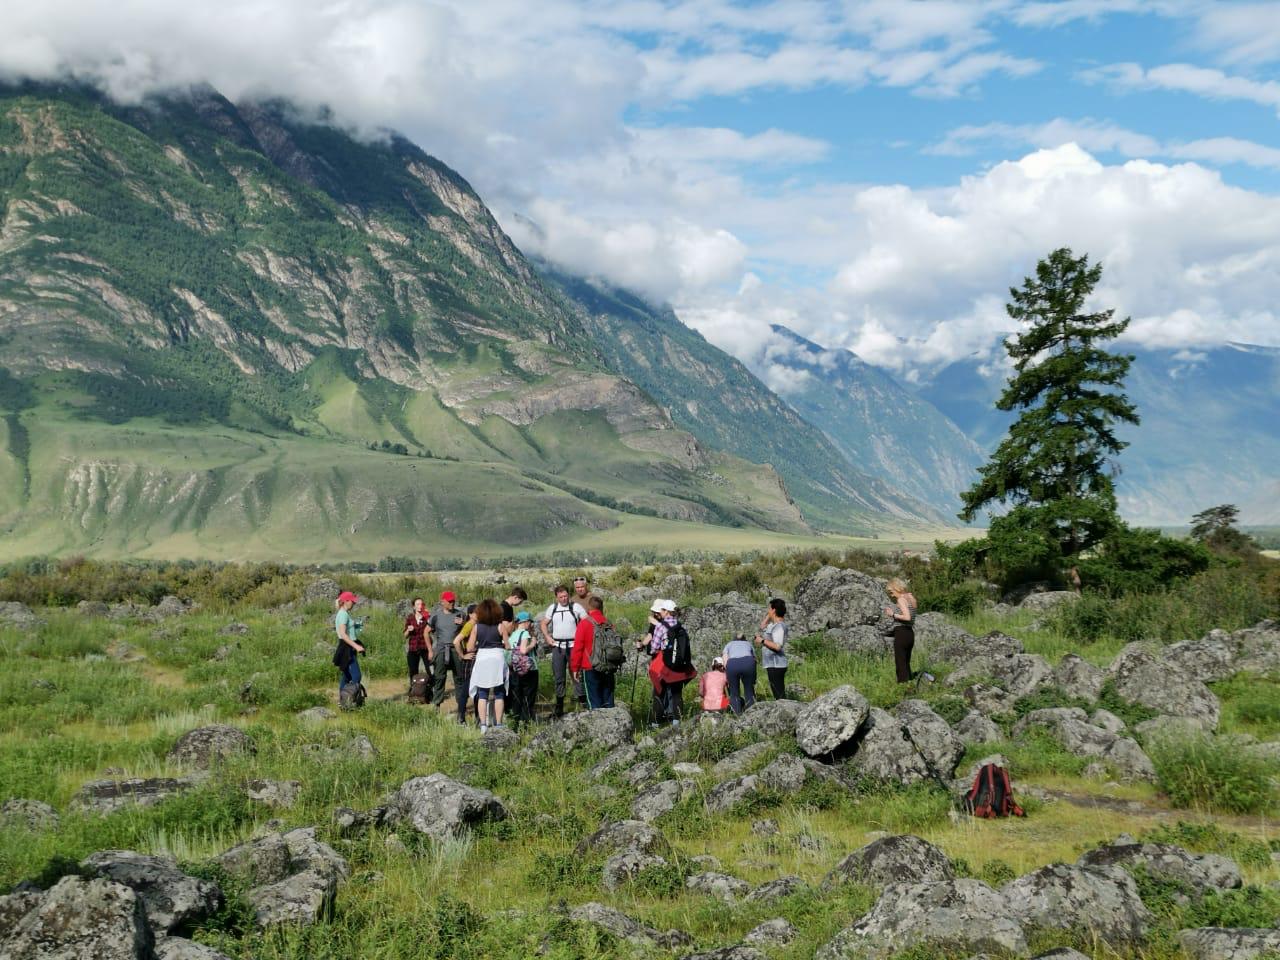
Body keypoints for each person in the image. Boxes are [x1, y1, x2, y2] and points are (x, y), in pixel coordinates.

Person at [539, 584, 588, 717]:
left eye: (566, 596)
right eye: (561, 597)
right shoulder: (553, 608)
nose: (564, 599)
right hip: (558, 647)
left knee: (577, 674)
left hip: (574, 646)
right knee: (559, 676)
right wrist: (547, 637)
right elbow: (543, 623)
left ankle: (583, 703)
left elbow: (587, 622)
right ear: (556, 597)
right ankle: (559, 705)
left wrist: (583, 640)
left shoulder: (576, 607)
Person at [647, 599, 696, 725]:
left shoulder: (661, 626)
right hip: (679, 665)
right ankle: (676, 722)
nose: (661, 612)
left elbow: (653, 648)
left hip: (666, 664)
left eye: (662, 610)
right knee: (676, 693)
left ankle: (656, 723)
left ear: (666, 611)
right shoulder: (680, 627)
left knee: (658, 692)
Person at [468, 599, 508, 732]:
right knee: (499, 692)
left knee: (482, 693)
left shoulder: (476, 627)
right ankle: (499, 724)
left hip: (483, 657)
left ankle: (483, 725)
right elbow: (507, 645)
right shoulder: (501, 626)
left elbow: (469, 647)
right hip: (497, 657)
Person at [569, 594, 615, 709]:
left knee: (594, 700)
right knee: (608, 699)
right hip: (608, 665)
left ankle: (597, 724)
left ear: (589, 608)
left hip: (590, 666)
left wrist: (575, 668)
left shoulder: (584, 623)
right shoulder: (609, 623)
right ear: (601, 607)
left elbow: (578, 648)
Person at [428, 591, 464, 708]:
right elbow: (425, 632)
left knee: (459, 678)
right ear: (443, 602)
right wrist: (430, 650)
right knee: (439, 678)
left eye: (453, 601)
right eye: (450, 601)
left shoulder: (461, 615)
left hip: (456, 650)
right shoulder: (436, 616)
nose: (452, 603)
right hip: (441, 649)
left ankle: (461, 707)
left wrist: (463, 624)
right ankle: (436, 705)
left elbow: (469, 632)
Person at [508, 610, 539, 726]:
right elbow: (523, 650)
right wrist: (533, 643)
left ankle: (515, 721)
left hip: (516, 669)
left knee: (517, 696)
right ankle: (526, 722)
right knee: (529, 696)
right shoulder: (525, 634)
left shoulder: (512, 635)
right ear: (525, 622)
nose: (531, 624)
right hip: (529, 669)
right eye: (530, 622)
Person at [884, 577, 918, 683]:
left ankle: (903, 687)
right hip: (910, 633)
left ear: (897, 588)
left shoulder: (901, 599)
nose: (891, 595)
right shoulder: (911, 598)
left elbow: (907, 617)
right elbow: (912, 617)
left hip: (901, 633)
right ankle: (910, 684)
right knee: (906, 662)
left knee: (900, 662)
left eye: (891, 592)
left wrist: (893, 614)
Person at [755, 598, 789, 700]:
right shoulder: (773, 625)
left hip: (776, 664)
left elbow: (778, 646)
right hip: (772, 664)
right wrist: (770, 616)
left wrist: (762, 641)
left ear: (774, 610)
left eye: (769, 608)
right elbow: (762, 626)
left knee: (779, 696)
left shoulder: (779, 626)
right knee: (777, 694)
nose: (767, 611)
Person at [332, 590, 365, 694]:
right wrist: (356, 646)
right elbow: (343, 634)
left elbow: (347, 630)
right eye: (352, 601)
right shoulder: (343, 614)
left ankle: (343, 699)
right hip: (346, 647)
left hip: (348, 646)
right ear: (346, 601)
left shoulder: (346, 613)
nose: (354, 603)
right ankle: (352, 699)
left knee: (347, 675)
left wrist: (356, 626)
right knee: (356, 675)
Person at [453, 603, 479, 724]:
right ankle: (461, 718)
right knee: (466, 689)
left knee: (476, 689)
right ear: (470, 614)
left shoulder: (475, 624)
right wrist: (462, 655)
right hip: (470, 660)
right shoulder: (469, 625)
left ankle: (477, 717)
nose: (479, 614)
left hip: (474, 659)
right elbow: (456, 641)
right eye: (476, 612)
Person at [722, 632, 756, 714]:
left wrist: (728, 674)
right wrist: (754, 676)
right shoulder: (748, 644)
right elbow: (754, 659)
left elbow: (725, 659)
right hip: (748, 662)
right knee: (749, 690)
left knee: (734, 693)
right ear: (744, 638)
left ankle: (737, 714)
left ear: (734, 639)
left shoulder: (729, 644)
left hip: (732, 664)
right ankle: (752, 714)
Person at [403, 597, 431, 691]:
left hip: (425, 647)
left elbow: (433, 630)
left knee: (429, 669)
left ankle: (430, 689)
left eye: (422, 604)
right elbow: (405, 635)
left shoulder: (427, 617)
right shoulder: (410, 618)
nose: (420, 606)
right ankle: (414, 690)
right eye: (418, 604)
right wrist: (408, 630)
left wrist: (428, 619)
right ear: (414, 607)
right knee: (413, 671)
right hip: (413, 648)